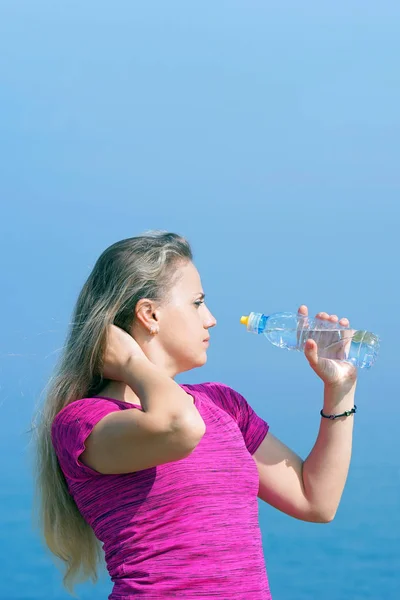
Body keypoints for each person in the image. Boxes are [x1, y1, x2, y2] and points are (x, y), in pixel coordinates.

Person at [35, 231, 358, 599]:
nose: (211, 319)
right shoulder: (85, 421)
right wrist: (130, 361)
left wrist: (340, 389)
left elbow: (316, 500)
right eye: (197, 303)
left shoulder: (223, 404)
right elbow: (180, 428)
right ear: (149, 314)